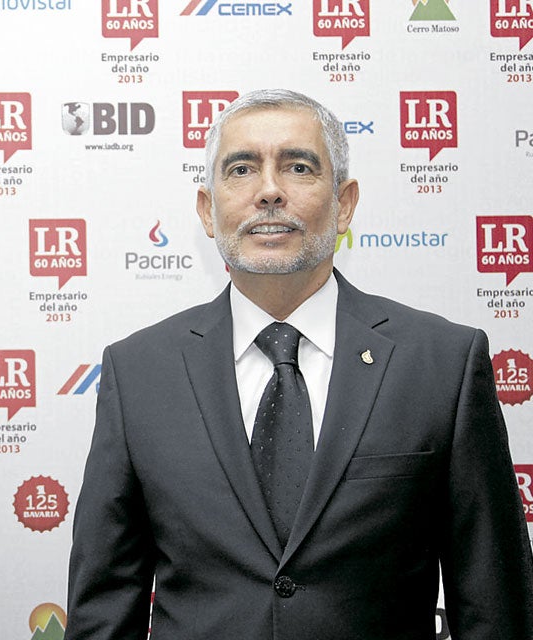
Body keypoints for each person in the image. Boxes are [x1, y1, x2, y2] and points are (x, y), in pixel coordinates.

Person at [65, 89, 533, 639]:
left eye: (299, 167)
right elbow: (104, 609)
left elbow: (496, 608)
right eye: (241, 169)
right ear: (207, 211)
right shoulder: (138, 372)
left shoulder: (442, 363)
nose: (269, 191)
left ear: (344, 204)